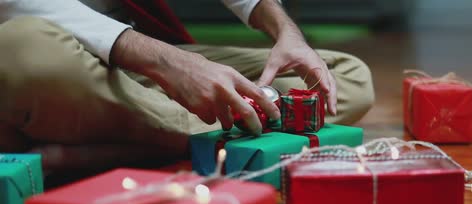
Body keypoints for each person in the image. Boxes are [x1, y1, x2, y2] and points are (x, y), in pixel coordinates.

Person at [0, 0, 374, 169]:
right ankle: (235, 134)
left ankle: (105, 151)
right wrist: (172, 63)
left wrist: (284, 30)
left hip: (134, 60)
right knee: (19, 50)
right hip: (59, 51)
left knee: (346, 76)